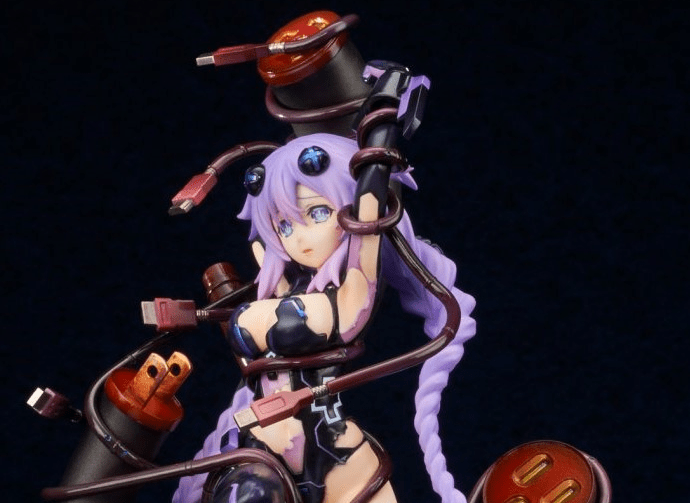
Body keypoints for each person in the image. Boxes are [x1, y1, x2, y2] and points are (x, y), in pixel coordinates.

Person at [173, 133, 477, 503]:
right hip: (260, 452)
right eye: (284, 226)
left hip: (335, 454)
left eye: (317, 213)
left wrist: (374, 168)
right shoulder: (287, 286)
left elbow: (367, 228)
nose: (298, 239)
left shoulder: (348, 299)